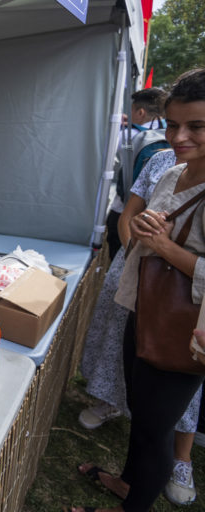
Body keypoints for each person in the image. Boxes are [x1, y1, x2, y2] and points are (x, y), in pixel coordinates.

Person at [70, 67, 205, 512]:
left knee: (156, 430)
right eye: (172, 124)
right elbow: (145, 227)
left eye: (195, 126)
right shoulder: (172, 173)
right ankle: (127, 482)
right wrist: (148, 229)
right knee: (142, 417)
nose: (179, 135)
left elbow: (170, 249)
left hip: (181, 331)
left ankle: (134, 503)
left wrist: (164, 245)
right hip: (143, 309)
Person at [106, 88, 168, 259]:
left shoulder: (129, 135)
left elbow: (110, 159)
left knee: (118, 256)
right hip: (158, 219)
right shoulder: (169, 135)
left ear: (140, 111)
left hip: (124, 211)